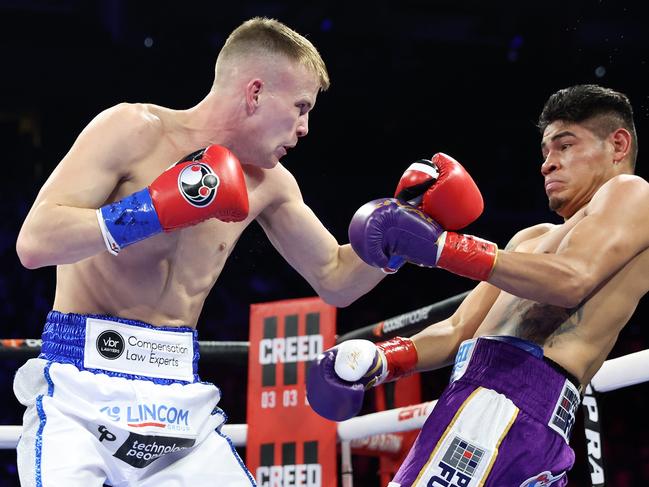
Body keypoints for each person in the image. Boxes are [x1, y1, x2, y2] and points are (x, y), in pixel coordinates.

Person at [14, 17, 388, 487]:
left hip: (177, 400)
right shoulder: (132, 129)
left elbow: (336, 277)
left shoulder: (270, 183)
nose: (304, 127)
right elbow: (34, 242)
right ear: (254, 93)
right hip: (79, 382)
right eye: (299, 107)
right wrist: (151, 211)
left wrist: (395, 240)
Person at [307, 84, 649, 486]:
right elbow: (456, 332)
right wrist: (381, 361)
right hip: (493, 408)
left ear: (618, 145)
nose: (548, 164)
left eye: (565, 146)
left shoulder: (632, 192)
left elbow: (574, 279)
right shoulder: (529, 240)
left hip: (505, 406)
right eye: (545, 152)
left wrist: (442, 246)